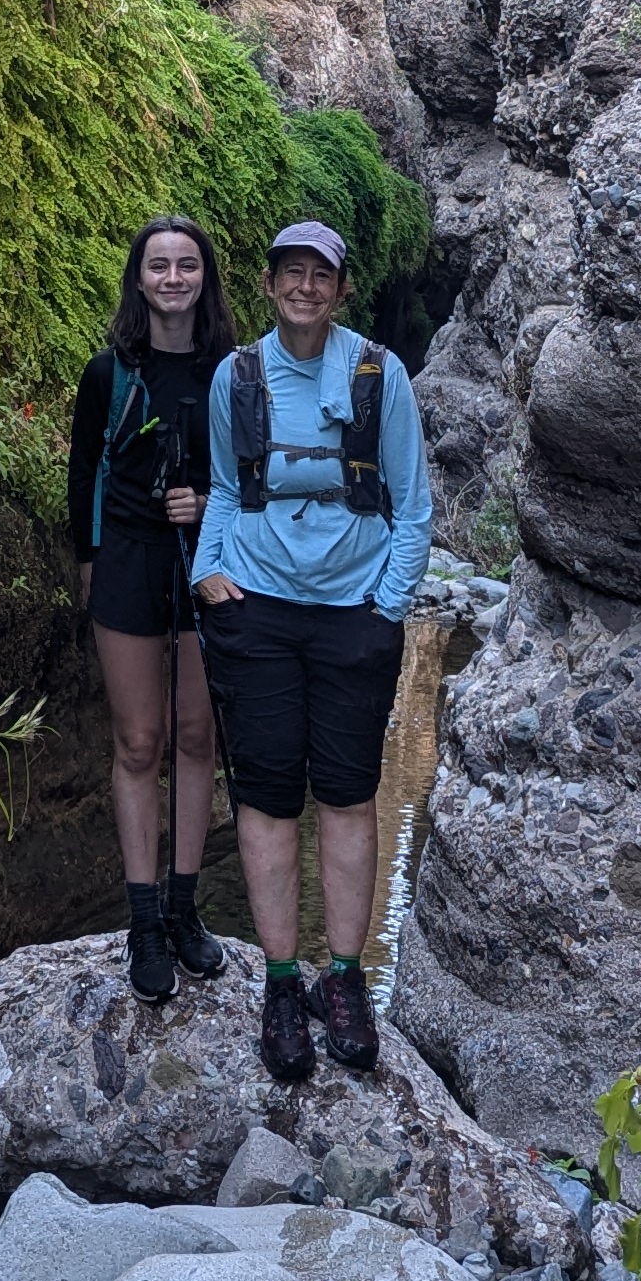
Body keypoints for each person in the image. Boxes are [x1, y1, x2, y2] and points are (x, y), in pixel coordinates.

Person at [191, 218, 432, 1086]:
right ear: (269, 285)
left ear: (339, 289)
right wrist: (206, 571)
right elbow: (226, 484)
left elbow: (413, 503)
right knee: (263, 796)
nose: (305, 288)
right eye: (290, 274)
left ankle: (347, 981)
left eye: (319, 277)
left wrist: (387, 607)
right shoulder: (238, 376)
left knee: (346, 792)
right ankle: (282, 983)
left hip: (352, 614)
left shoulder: (379, 374)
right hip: (256, 610)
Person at [67, 216, 235, 1003]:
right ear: (140, 280)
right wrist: (90, 568)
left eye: (187, 265)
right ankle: (143, 921)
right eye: (159, 266)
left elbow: (254, 474)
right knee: (141, 741)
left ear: (206, 278)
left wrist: (206, 503)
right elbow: (82, 477)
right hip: (131, 563)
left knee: (198, 735)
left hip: (210, 562)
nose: (173, 278)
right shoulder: (108, 373)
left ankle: (183, 908)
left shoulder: (235, 373)